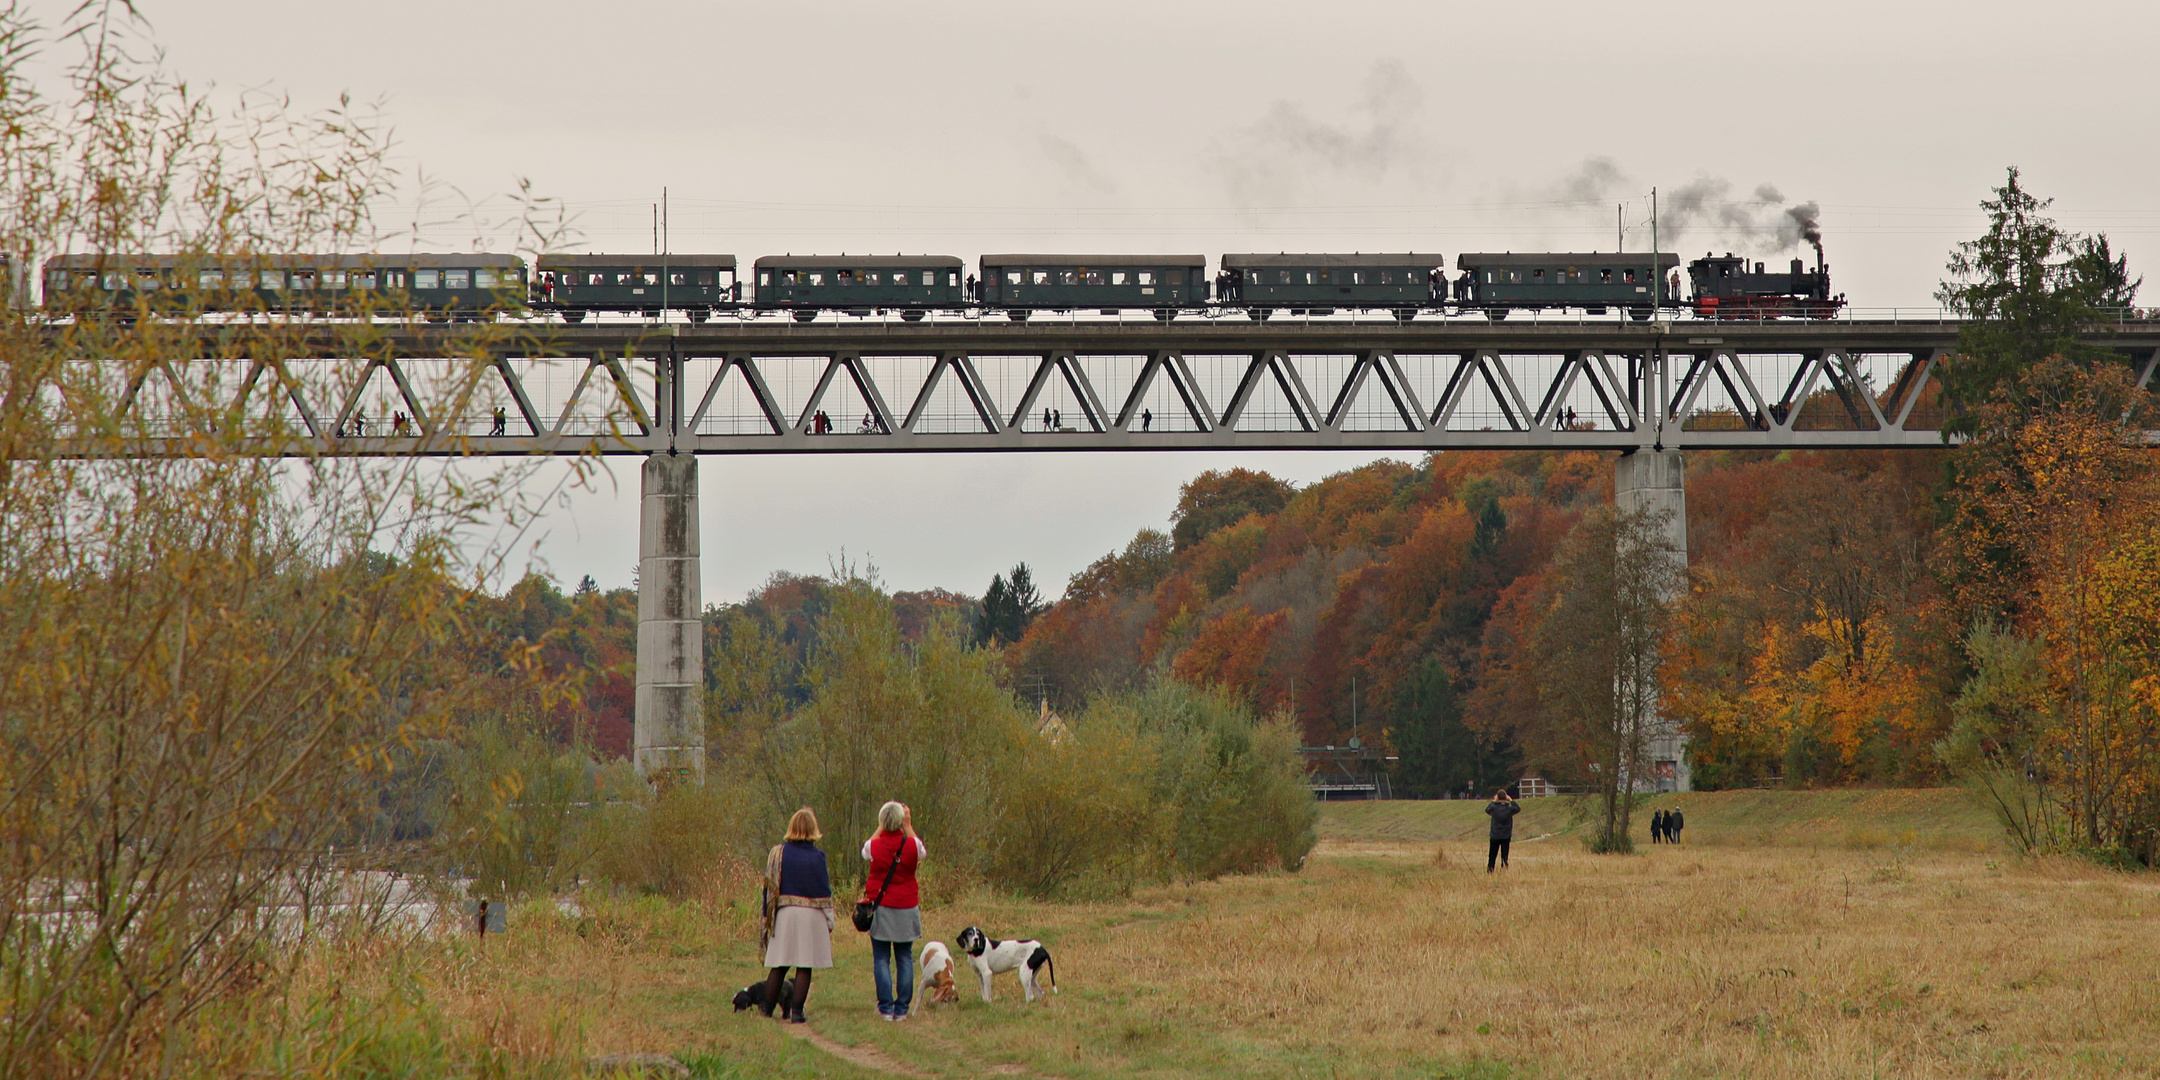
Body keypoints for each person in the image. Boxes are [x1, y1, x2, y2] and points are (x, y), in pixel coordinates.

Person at [761, 808, 834, 1024]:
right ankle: (796, 1012)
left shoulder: (778, 853)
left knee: (780, 964)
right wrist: (830, 918)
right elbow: (824, 890)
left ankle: (766, 1009)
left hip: (785, 914)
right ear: (813, 829)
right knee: (804, 964)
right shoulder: (817, 857)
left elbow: (769, 888)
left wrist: (767, 916)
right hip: (810, 915)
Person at [860, 801, 926, 1021]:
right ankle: (902, 1009)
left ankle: (886, 1007)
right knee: (904, 957)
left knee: (881, 958)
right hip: (906, 906)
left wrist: (882, 825)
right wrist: (907, 823)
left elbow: (865, 849)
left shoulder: (873, 846)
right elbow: (921, 851)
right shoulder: (912, 845)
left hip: (881, 907)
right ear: (902, 821)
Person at [1485, 788, 1519, 872]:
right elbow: (1517, 808)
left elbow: (1487, 810)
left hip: (1495, 834)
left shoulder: (1494, 808)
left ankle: (1490, 869)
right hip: (1506, 835)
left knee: (1492, 855)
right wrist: (1511, 800)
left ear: (1497, 797)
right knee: (1504, 855)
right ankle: (1504, 868)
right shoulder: (1509, 809)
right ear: (1506, 797)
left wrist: (1494, 801)